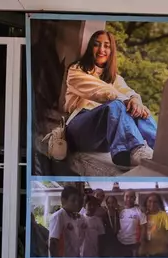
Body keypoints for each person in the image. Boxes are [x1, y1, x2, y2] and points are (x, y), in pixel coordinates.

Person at [64, 30, 155, 168]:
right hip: (78, 131)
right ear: (90, 48)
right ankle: (133, 151)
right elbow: (101, 90)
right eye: (96, 45)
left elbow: (129, 92)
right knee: (117, 104)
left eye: (106, 46)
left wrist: (135, 100)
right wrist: (126, 100)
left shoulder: (115, 78)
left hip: (103, 138)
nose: (101, 49)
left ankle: (161, 149)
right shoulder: (76, 70)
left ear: (111, 50)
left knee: (140, 110)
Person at [48, 186, 86, 257]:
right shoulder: (58, 216)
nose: (76, 203)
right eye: (73, 200)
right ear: (63, 200)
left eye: (77, 200)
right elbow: (53, 242)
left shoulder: (74, 217)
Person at [142, 193, 168, 257]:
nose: (152, 204)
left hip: (161, 252)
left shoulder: (164, 215)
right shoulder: (143, 216)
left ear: (159, 203)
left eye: (155, 202)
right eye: (149, 201)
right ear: (146, 203)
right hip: (146, 252)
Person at [118, 190, 147, 257]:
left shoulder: (139, 211)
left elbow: (143, 227)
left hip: (134, 244)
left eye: (131, 197)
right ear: (124, 197)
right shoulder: (119, 210)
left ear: (134, 198)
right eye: (127, 196)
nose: (129, 199)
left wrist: (141, 242)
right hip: (120, 243)